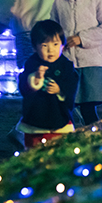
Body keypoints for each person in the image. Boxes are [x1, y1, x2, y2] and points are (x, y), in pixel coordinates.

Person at [17, 20, 79, 148]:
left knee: (59, 152)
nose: (51, 50)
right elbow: (24, 88)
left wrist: (60, 91)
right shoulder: (32, 64)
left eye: (55, 44)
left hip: (59, 119)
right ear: (35, 47)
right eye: (45, 46)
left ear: (62, 45)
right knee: (34, 153)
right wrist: (35, 80)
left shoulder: (66, 66)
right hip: (35, 120)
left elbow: (71, 86)